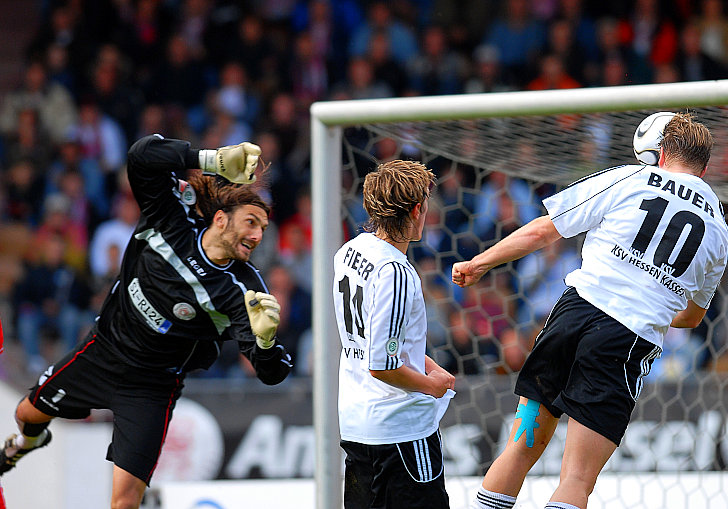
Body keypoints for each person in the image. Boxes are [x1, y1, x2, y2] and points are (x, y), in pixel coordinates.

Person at [452, 113, 728, 509]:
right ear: (704, 167)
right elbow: (692, 316)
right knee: (577, 478)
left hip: (572, 315)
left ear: (661, 152)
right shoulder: (718, 227)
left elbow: (544, 229)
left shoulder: (630, 177)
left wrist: (479, 263)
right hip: (625, 340)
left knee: (520, 449)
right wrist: (650, 300)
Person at [0, 134, 293, 509]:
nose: (257, 235)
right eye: (252, 222)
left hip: (151, 388)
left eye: (263, 229)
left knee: (124, 502)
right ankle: (29, 442)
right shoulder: (172, 216)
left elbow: (271, 373)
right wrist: (209, 160)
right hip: (102, 351)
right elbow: (140, 156)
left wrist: (266, 343)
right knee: (25, 413)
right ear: (220, 219)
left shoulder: (243, 290)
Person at [333, 160, 456, 509]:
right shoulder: (396, 271)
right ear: (418, 210)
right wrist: (432, 386)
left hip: (357, 428)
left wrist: (426, 364)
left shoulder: (349, 252)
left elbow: (374, 339)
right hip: (400, 433)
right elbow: (381, 365)